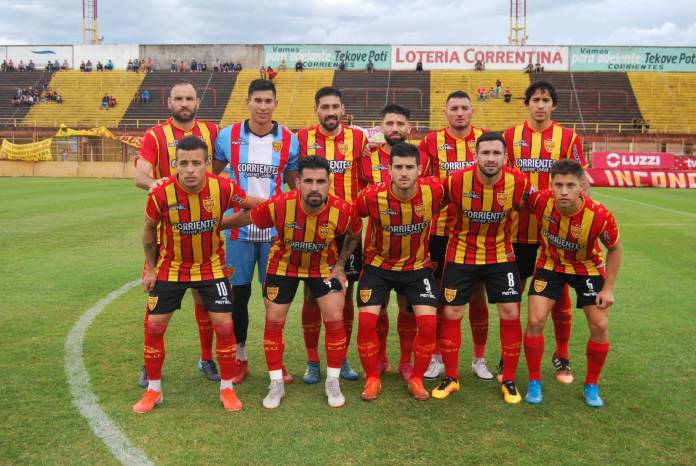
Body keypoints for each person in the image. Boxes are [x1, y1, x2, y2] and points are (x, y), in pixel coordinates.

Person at [132, 136, 263, 414]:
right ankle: (153, 390)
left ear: (207, 164)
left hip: (210, 266)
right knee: (154, 326)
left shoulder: (223, 187)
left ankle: (226, 388)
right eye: (184, 163)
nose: (190, 169)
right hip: (171, 267)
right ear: (175, 165)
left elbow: (252, 204)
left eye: (196, 163)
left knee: (224, 326)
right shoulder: (160, 192)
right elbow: (149, 229)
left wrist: (284, 204)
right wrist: (150, 268)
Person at [232, 155, 363, 409]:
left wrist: (340, 265)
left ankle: (332, 381)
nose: (315, 187)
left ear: (329, 183)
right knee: (274, 320)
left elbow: (355, 233)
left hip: (323, 267)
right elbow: (248, 218)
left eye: (321, 181)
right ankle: (276, 383)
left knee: (335, 317)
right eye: (309, 181)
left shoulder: (343, 209)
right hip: (284, 265)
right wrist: (216, 226)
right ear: (298, 182)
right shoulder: (280, 204)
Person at [134, 80, 222, 388]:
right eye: (179, 99)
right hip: (166, 234)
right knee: (156, 301)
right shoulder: (155, 135)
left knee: (204, 298)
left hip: (204, 231)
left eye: (189, 98)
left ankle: (207, 358)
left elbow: (224, 163)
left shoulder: (213, 132)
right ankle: (149, 365)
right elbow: (140, 174)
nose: (184, 103)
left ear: (198, 102)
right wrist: (156, 185)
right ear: (169, 103)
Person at [433, 132, 531, 404]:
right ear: (475, 156)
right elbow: (431, 203)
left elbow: (534, 206)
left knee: (511, 311)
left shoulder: (519, 182)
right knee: (451, 311)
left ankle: (508, 379)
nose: (490, 158)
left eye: (496, 153)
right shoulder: (455, 181)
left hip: (500, 254)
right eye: (485, 153)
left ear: (505, 157)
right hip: (461, 253)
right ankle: (451, 377)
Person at [213, 79, 299, 385]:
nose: (263, 107)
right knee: (238, 296)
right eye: (257, 100)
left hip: (274, 232)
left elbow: (294, 185)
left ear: (275, 103)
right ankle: (240, 357)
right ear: (247, 102)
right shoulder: (227, 136)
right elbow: (213, 177)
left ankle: (277, 362)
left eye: (268, 101)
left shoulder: (289, 140)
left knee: (273, 299)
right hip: (238, 230)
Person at [346, 142, 445, 401]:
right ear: (389, 170)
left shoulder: (435, 190)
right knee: (367, 321)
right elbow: (353, 222)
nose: (403, 172)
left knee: (428, 323)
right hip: (378, 266)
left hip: (417, 266)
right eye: (398, 167)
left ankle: (415, 376)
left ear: (419, 169)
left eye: (409, 167)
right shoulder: (370, 196)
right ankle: (373, 377)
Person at [502, 81, 586, 384]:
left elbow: (582, 180)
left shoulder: (569, 137)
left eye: (546, 100)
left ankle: (562, 356)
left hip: (557, 232)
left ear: (554, 105)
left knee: (559, 293)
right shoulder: (510, 136)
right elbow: (503, 177)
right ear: (527, 104)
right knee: (513, 294)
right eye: (535, 99)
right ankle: (509, 355)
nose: (540, 105)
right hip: (518, 230)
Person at [523, 159, 621, 407]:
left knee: (599, 325)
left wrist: (608, 288)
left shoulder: (599, 215)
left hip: (586, 267)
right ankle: (534, 380)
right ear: (551, 185)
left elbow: (614, 248)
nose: (564, 191)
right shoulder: (541, 201)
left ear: (582, 186)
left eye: (570, 185)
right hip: (550, 265)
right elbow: (517, 200)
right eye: (558, 185)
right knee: (535, 320)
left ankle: (591, 385)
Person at [418, 91, 493, 381]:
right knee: (439, 294)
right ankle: (437, 356)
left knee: (477, 294)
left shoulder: (486, 138)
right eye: (454, 108)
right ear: (445, 112)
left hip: (476, 231)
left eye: (464, 108)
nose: (459, 113)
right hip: (439, 231)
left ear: (472, 111)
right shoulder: (430, 141)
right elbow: (421, 181)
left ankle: (478, 359)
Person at [295, 87, 367, 383]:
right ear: (316, 110)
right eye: (324, 107)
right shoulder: (302, 138)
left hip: (347, 231)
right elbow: (293, 177)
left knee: (345, 295)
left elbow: (367, 176)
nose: (330, 112)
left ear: (343, 109)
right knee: (311, 296)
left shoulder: (359, 139)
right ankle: (312, 362)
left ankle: (342, 357)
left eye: (335, 106)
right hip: (312, 229)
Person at [357, 104, 428, 382]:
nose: (395, 128)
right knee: (380, 307)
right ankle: (381, 358)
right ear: (381, 127)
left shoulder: (421, 156)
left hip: (413, 250)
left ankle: (406, 362)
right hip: (378, 250)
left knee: (407, 307)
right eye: (390, 123)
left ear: (409, 127)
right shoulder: (368, 156)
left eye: (400, 123)